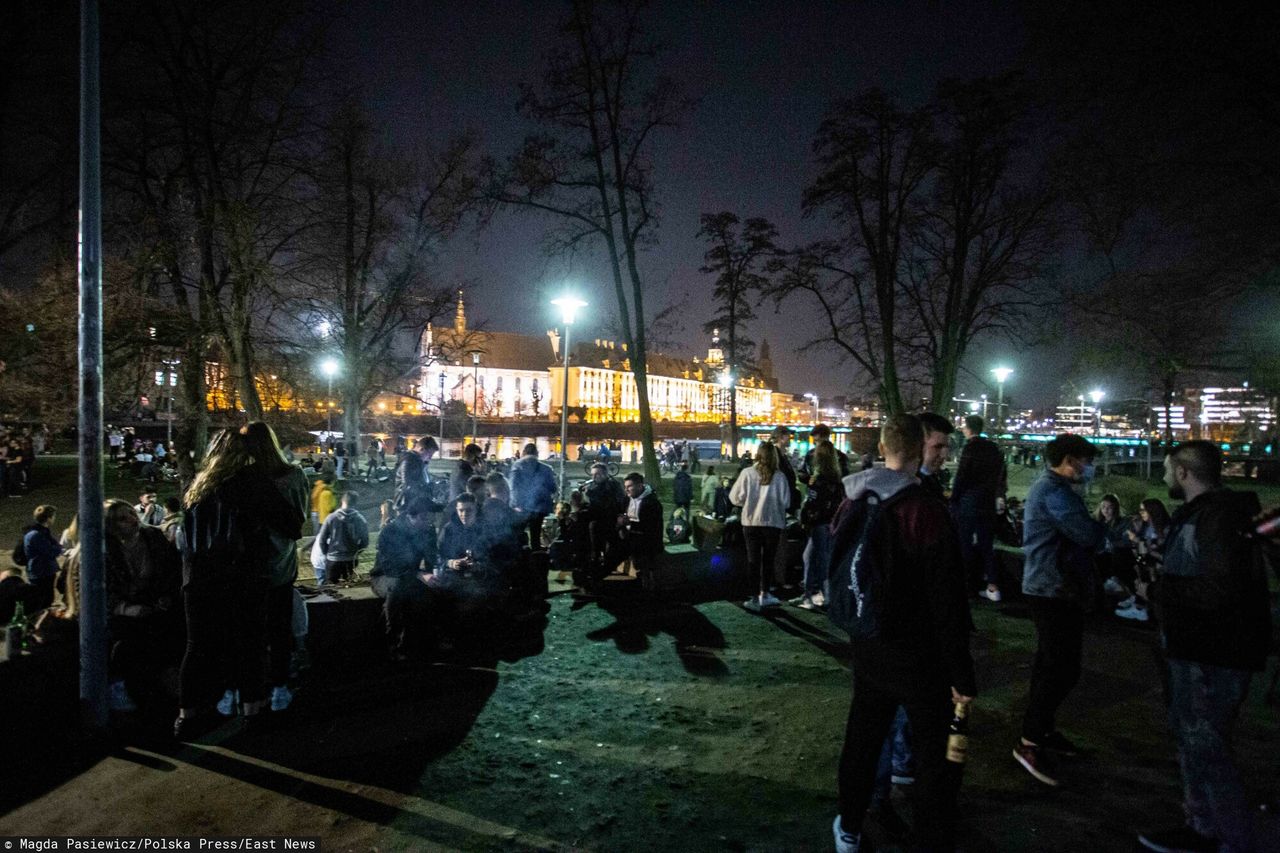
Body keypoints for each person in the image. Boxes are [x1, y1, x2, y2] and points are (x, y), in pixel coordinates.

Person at [830, 414, 975, 853]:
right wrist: (961, 674)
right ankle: (931, 835)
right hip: (918, 652)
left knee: (863, 737)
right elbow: (946, 600)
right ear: (918, 449)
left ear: (882, 444)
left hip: (868, 641)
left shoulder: (853, 497)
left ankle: (849, 827)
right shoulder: (924, 510)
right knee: (933, 754)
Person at [1134, 441, 1273, 853]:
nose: (1161, 477)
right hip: (1197, 647)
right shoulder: (1212, 515)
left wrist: (1159, 587)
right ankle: (1203, 826)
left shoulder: (1217, 518)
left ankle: (1229, 837)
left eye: (1165, 469)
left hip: (1211, 652)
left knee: (1207, 746)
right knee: (1197, 741)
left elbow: (1219, 588)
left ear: (1183, 473)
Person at [176, 429, 301, 738]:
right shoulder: (249, 482)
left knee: (198, 648)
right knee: (251, 646)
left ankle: (187, 716)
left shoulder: (198, 486)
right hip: (242, 576)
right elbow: (292, 524)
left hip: (198, 579)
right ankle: (253, 713)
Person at [1013, 433, 1104, 786]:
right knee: (1061, 669)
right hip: (1053, 588)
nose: (1088, 468)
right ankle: (1030, 740)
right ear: (1069, 460)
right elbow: (1089, 535)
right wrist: (1099, 526)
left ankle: (1042, 731)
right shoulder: (1056, 493)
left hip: (1050, 585)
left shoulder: (1049, 489)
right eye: (1085, 461)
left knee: (1051, 665)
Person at [103, 499, 184, 712]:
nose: (132, 519)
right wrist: (127, 609)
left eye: (131, 513)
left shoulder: (153, 537)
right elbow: (103, 590)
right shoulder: (106, 551)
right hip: (123, 611)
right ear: (111, 525)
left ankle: (172, 685)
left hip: (155, 605)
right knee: (130, 643)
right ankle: (127, 690)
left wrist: (166, 595)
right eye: (122, 518)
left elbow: (171, 569)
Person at [369, 497, 437, 660]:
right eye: (423, 517)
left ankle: (425, 640)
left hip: (410, 576)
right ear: (410, 517)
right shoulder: (390, 531)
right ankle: (393, 642)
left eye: (429, 517)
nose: (427, 522)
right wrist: (418, 574)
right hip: (384, 576)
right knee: (398, 587)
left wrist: (433, 573)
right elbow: (389, 566)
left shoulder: (427, 531)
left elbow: (431, 558)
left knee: (428, 591)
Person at [951, 415, 1008, 602]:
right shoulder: (993, 449)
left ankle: (968, 587)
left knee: (965, 544)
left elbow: (962, 476)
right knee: (986, 545)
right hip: (987, 502)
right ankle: (993, 586)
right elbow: (1001, 474)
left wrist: (954, 498)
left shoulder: (969, 448)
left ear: (968, 429)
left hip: (969, 502)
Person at [730, 442, 792, 612]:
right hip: (773, 523)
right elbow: (786, 502)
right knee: (768, 559)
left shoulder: (747, 473)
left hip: (751, 522)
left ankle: (754, 597)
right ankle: (765, 593)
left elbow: (735, 498)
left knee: (753, 560)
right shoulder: (780, 477)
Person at [795, 441, 843, 610]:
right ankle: (814, 594)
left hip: (817, 523)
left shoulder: (818, 480)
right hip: (829, 522)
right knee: (813, 557)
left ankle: (817, 596)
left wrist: (804, 519)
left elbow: (812, 503)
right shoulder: (836, 479)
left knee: (816, 559)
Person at [613, 472, 663, 587]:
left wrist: (629, 523)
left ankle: (646, 579)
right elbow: (618, 510)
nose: (626, 490)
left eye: (629, 487)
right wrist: (620, 519)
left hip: (646, 538)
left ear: (640, 486)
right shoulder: (628, 499)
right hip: (629, 533)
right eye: (625, 487)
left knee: (637, 548)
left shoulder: (651, 503)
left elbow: (651, 528)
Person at [509, 443, 557, 550]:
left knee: (517, 535)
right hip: (540, 508)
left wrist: (515, 504)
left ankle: (520, 557)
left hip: (521, 507)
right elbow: (553, 488)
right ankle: (536, 558)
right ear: (537, 454)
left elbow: (513, 486)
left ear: (524, 452)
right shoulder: (547, 469)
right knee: (535, 536)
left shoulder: (517, 466)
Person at [317, 490, 370, 585]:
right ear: (355, 502)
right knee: (350, 586)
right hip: (351, 560)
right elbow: (365, 541)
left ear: (342, 501)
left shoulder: (331, 518)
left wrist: (327, 553)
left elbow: (322, 540)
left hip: (333, 560)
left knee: (331, 588)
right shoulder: (360, 519)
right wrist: (356, 552)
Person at [22, 505, 62, 611]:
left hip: (40, 571)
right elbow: (51, 551)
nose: (54, 519)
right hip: (42, 572)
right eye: (53, 516)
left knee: (43, 599)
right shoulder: (38, 535)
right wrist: (58, 548)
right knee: (44, 600)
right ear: (48, 518)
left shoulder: (37, 532)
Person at [394, 436, 441, 518]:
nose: (430, 458)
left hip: (415, 504)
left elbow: (423, 480)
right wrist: (425, 492)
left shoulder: (420, 462)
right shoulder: (409, 461)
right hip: (406, 506)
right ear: (422, 449)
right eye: (429, 454)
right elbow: (408, 485)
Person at [917, 413, 956, 501]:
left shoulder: (930, 481)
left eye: (947, 447)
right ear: (918, 444)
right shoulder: (909, 489)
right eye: (937, 447)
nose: (944, 455)